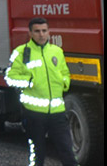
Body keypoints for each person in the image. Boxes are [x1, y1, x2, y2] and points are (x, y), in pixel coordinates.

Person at [5, 17, 77, 166]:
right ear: (30, 33)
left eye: (44, 31)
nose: (41, 34)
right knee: (38, 155)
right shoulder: (20, 53)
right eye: (37, 31)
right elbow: (9, 78)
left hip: (57, 112)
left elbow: (65, 73)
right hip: (34, 114)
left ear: (49, 32)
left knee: (67, 152)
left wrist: (64, 83)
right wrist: (30, 81)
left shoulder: (57, 51)